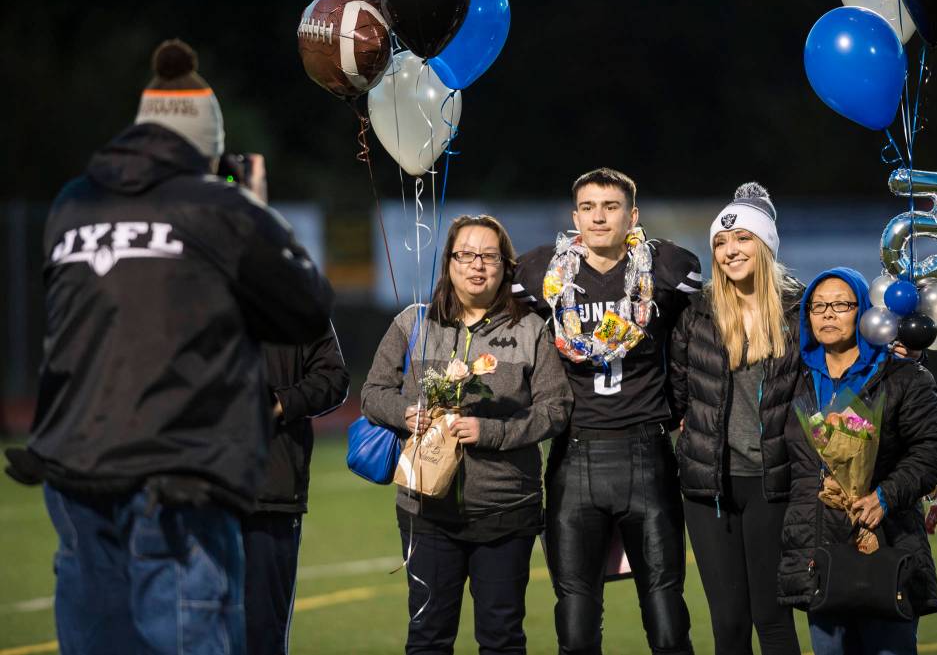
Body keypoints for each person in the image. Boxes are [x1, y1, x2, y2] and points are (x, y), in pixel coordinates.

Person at [3, 39, 334, 655]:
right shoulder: (217, 207)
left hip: (75, 472)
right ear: (207, 142)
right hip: (175, 478)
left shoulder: (73, 202)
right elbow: (305, 304)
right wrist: (251, 205)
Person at [361, 214, 572, 655]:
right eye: (466, 255)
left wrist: (490, 431)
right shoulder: (412, 323)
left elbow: (555, 409)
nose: (477, 265)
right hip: (426, 511)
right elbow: (371, 394)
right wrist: (407, 413)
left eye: (489, 256)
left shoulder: (531, 330)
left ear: (505, 265)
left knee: (501, 640)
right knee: (428, 639)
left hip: (506, 511)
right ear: (449, 262)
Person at [513, 167, 701, 655]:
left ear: (632, 215)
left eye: (611, 206)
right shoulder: (540, 273)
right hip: (574, 454)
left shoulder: (667, 268)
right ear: (575, 216)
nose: (599, 217)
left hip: (647, 454)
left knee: (666, 622)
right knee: (575, 626)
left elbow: (706, 335)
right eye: (589, 207)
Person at [777, 267, 937, 655]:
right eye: (817, 306)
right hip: (818, 551)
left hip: (887, 542)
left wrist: (886, 496)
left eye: (840, 304)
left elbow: (934, 449)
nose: (827, 313)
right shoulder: (793, 380)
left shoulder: (901, 375)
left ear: (864, 312)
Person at [669, 182, 802, 655]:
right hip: (709, 490)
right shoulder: (697, 314)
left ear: (765, 244)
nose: (729, 251)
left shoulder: (798, 311)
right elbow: (678, 392)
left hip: (773, 483)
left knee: (773, 618)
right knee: (727, 624)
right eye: (721, 243)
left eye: (742, 239)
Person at [244, 323, 349, 655]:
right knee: (194, 630)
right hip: (198, 494)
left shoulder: (297, 299)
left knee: (263, 635)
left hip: (270, 494)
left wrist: (279, 403)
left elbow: (333, 378)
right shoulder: (196, 286)